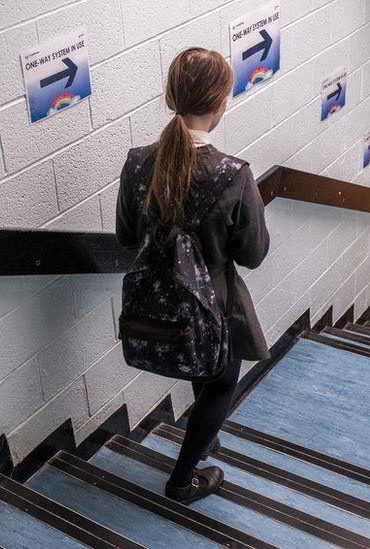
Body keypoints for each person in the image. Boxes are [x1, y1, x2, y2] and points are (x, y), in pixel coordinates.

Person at [115, 47, 270, 504]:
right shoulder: (233, 174)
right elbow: (255, 253)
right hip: (216, 301)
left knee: (202, 365)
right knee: (222, 380)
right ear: (222, 102)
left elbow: (126, 237)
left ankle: (205, 435)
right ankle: (181, 482)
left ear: (170, 98)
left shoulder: (137, 162)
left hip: (159, 300)